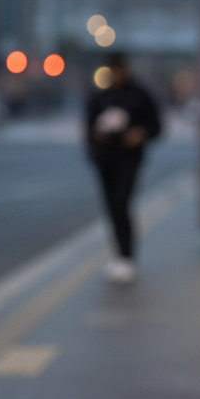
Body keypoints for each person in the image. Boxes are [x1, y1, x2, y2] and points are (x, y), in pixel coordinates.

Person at [86, 53, 162, 285]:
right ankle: (119, 255)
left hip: (129, 160)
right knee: (111, 208)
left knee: (122, 203)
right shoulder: (99, 97)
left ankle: (127, 256)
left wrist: (140, 134)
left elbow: (157, 126)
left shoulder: (139, 95)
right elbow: (88, 129)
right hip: (105, 160)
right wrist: (95, 150)